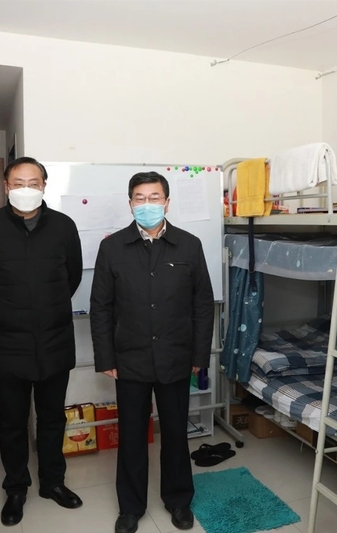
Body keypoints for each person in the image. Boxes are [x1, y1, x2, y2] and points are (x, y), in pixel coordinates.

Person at [0, 156, 83, 526]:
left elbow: (72, 277)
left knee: (52, 418)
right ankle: (16, 487)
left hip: (54, 340)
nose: (26, 189)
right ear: (6, 186)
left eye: (33, 183)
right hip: (7, 343)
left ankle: (53, 482)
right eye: (18, 183)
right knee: (11, 422)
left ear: (44, 186)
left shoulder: (63, 226)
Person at [91, 171, 214, 533]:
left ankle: (178, 500)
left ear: (167, 202)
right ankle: (130, 507)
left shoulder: (189, 245)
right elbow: (101, 307)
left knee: (175, 433)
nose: (147, 204)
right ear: (130, 203)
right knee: (131, 435)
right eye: (140, 198)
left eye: (154, 197)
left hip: (176, 356)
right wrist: (106, 357)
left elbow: (202, 304)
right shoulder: (112, 248)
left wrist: (199, 356)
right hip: (129, 358)